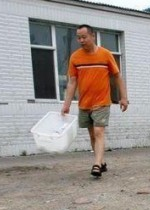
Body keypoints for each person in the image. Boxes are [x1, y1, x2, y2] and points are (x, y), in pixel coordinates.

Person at [61, 24, 129, 177]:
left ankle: (97, 165)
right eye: (78, 38)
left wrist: (123, 97)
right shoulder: (75, 57)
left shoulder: (105, 55)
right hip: (84, 103)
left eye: (84, 37)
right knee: (92, 135)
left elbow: (117, 76)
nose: (81, 40)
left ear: (93, 36)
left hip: (102, 101)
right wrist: (66, 105)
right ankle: (102, 162)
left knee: (99, 132)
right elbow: (72, 82)